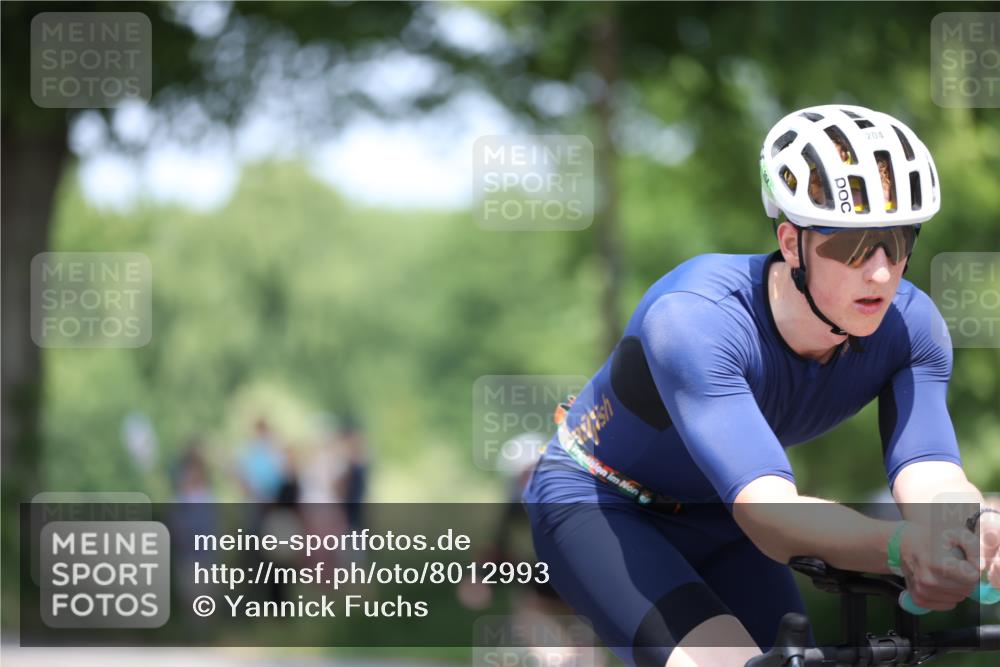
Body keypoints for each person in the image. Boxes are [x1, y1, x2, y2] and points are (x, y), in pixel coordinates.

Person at [522, 104, 1000, 667]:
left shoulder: (910, 325)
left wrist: (971, 528)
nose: (880, 272)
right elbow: (768, 512)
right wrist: (899, 547)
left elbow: (930, 470)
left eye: (897, 243)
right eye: (850, 246)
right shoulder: (694, 318)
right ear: (791, 242)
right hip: (604, 505)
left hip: (719, 516)